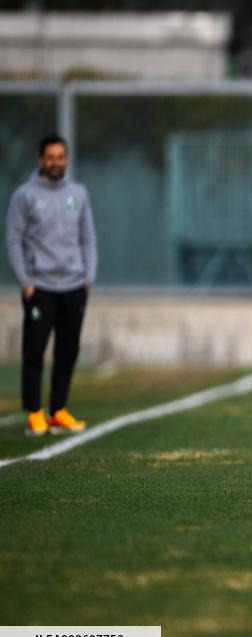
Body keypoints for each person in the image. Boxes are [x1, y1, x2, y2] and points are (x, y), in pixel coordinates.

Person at [5, 133, 96, 437]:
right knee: (34, 352)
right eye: (50, 157)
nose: (56, 162)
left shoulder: (78, 193)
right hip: (40, 287)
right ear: (40, 160)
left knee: (67, 351)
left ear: (66, 159)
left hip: (73, 285)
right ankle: (34, 412)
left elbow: (87, 238)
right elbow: (14, 239)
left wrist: (88, 277)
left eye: (61, 156)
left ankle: (58, 410)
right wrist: (25, 281)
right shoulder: (25, 195)